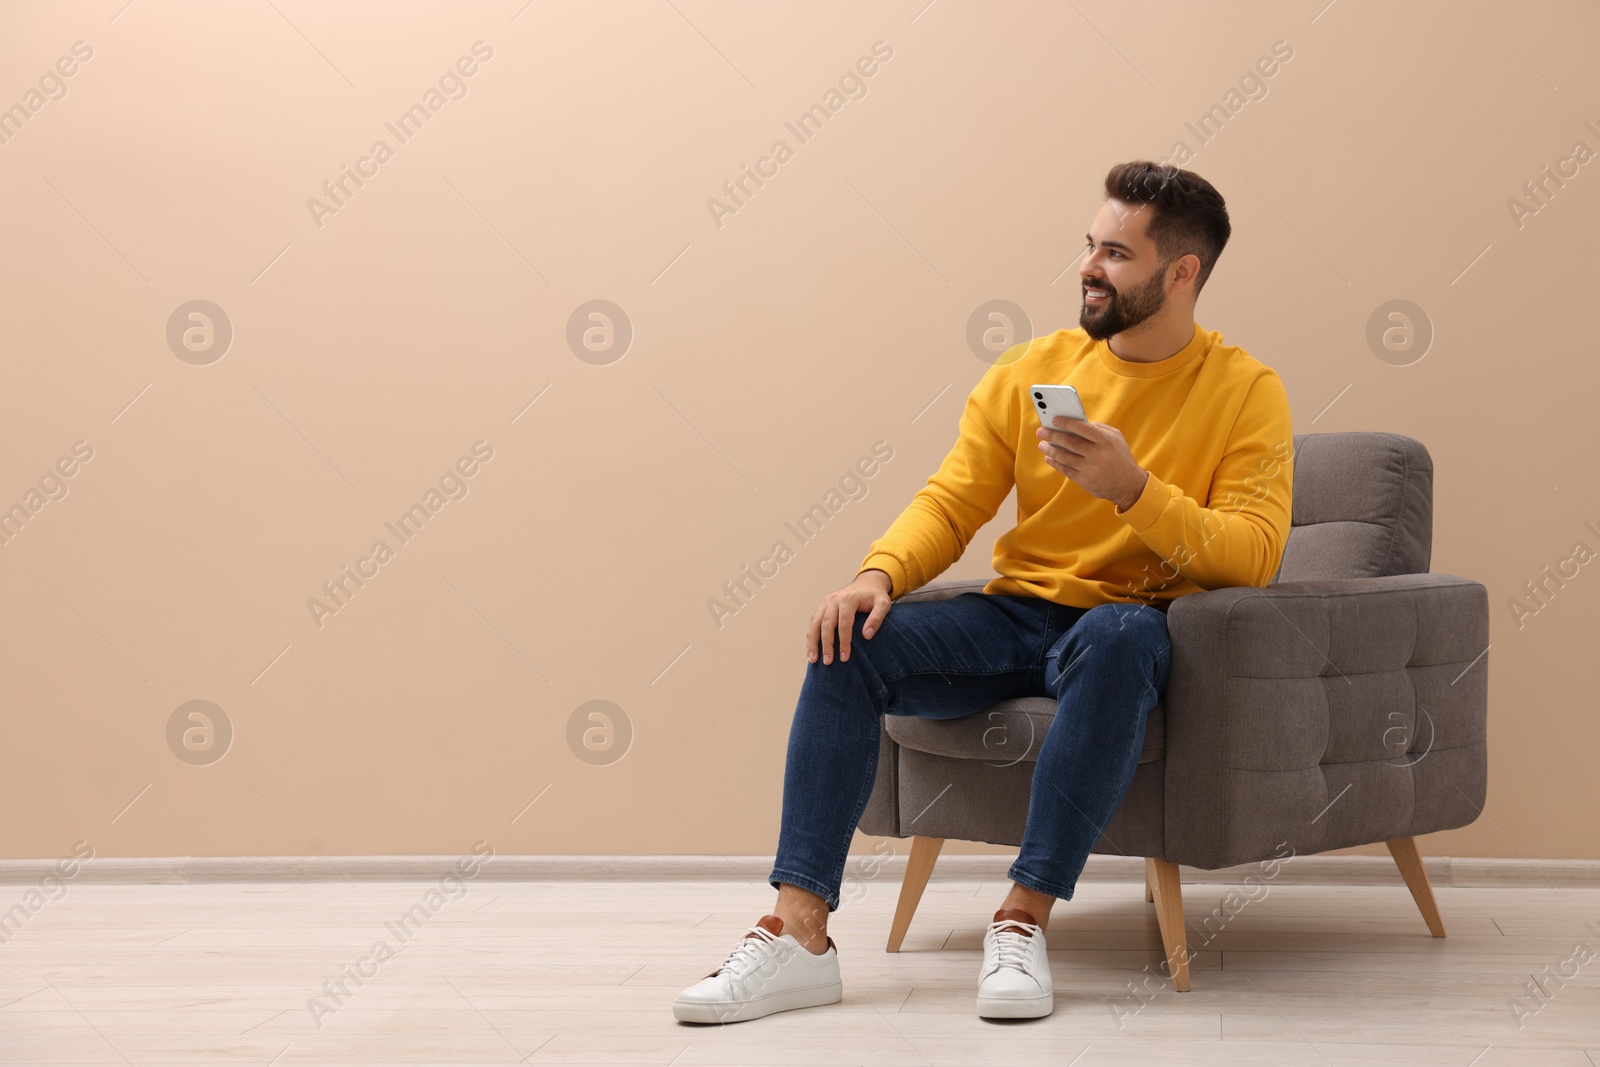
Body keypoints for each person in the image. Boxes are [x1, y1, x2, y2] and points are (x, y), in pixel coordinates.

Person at [673, 161, 1294, 1023]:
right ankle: (798, 934)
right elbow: (953, 498)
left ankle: (1022, 919)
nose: (1088, 265)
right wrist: (876, 575)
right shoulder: (1030, 369)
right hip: (1017, 615)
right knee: (849, 640)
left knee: (1117, 638)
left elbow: (1256, 555)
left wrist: (1132, 489)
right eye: (1089, 245)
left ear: (1181, 272)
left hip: (1129, 626)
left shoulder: (1246, 391)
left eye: (1116, 252)